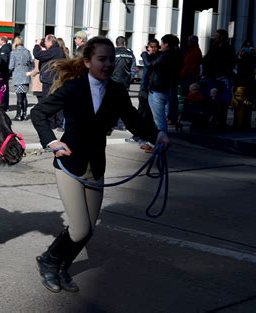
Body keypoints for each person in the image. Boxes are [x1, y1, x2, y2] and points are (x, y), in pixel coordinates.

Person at [31, 36, 170, 293]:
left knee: (88, 230)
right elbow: (38, 113)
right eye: (102, 59)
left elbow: (134, 122)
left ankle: (62, 267)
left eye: (111, 60)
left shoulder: (116, 91)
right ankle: (49, 262)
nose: (108, 64)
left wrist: (157, 134)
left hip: (96, 166)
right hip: (69, 165)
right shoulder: (73, 88)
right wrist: (51, 142)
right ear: (87, 62)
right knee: (79, 227)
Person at [146, 34, 181, 133]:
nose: (160, 45)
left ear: (167, 44)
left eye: (162, 43)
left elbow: (150, 65)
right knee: (162, 118)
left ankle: (160, 142)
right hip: (168, 90)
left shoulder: (165, 57)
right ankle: (157, 140)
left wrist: (144, 54)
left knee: (159, 120)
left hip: (158, 90)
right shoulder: (176, 56)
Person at [33, 34, 65, 130]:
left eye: (46, 41)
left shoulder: (54, 50)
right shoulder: (56, 50)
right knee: (54, 100)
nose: (45, 43)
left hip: (51, 80)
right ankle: (56, 122)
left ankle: (53, 123)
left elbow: (38, 55)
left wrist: (37, 45)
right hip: (53, 79)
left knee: (50, 101)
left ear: (50, 42)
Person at [9, 36, 33, 121]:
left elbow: (11, 66)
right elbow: (31, 63)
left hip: (18, 76)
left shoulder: (14, 52)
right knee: (24, 96)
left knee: (19, 96)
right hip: (26, 75)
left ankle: (18, 115)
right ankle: (25, 114)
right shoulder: (27, 52)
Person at [0, 36, 12, 111]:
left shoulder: (5, 48)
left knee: (3, 89)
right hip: (4, 72)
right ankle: (4, 104)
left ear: (2, 41)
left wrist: (0, 71)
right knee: (3, 88)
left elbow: (3, 61)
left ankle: (4, 105)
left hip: (4, 72)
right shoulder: (6, 48)